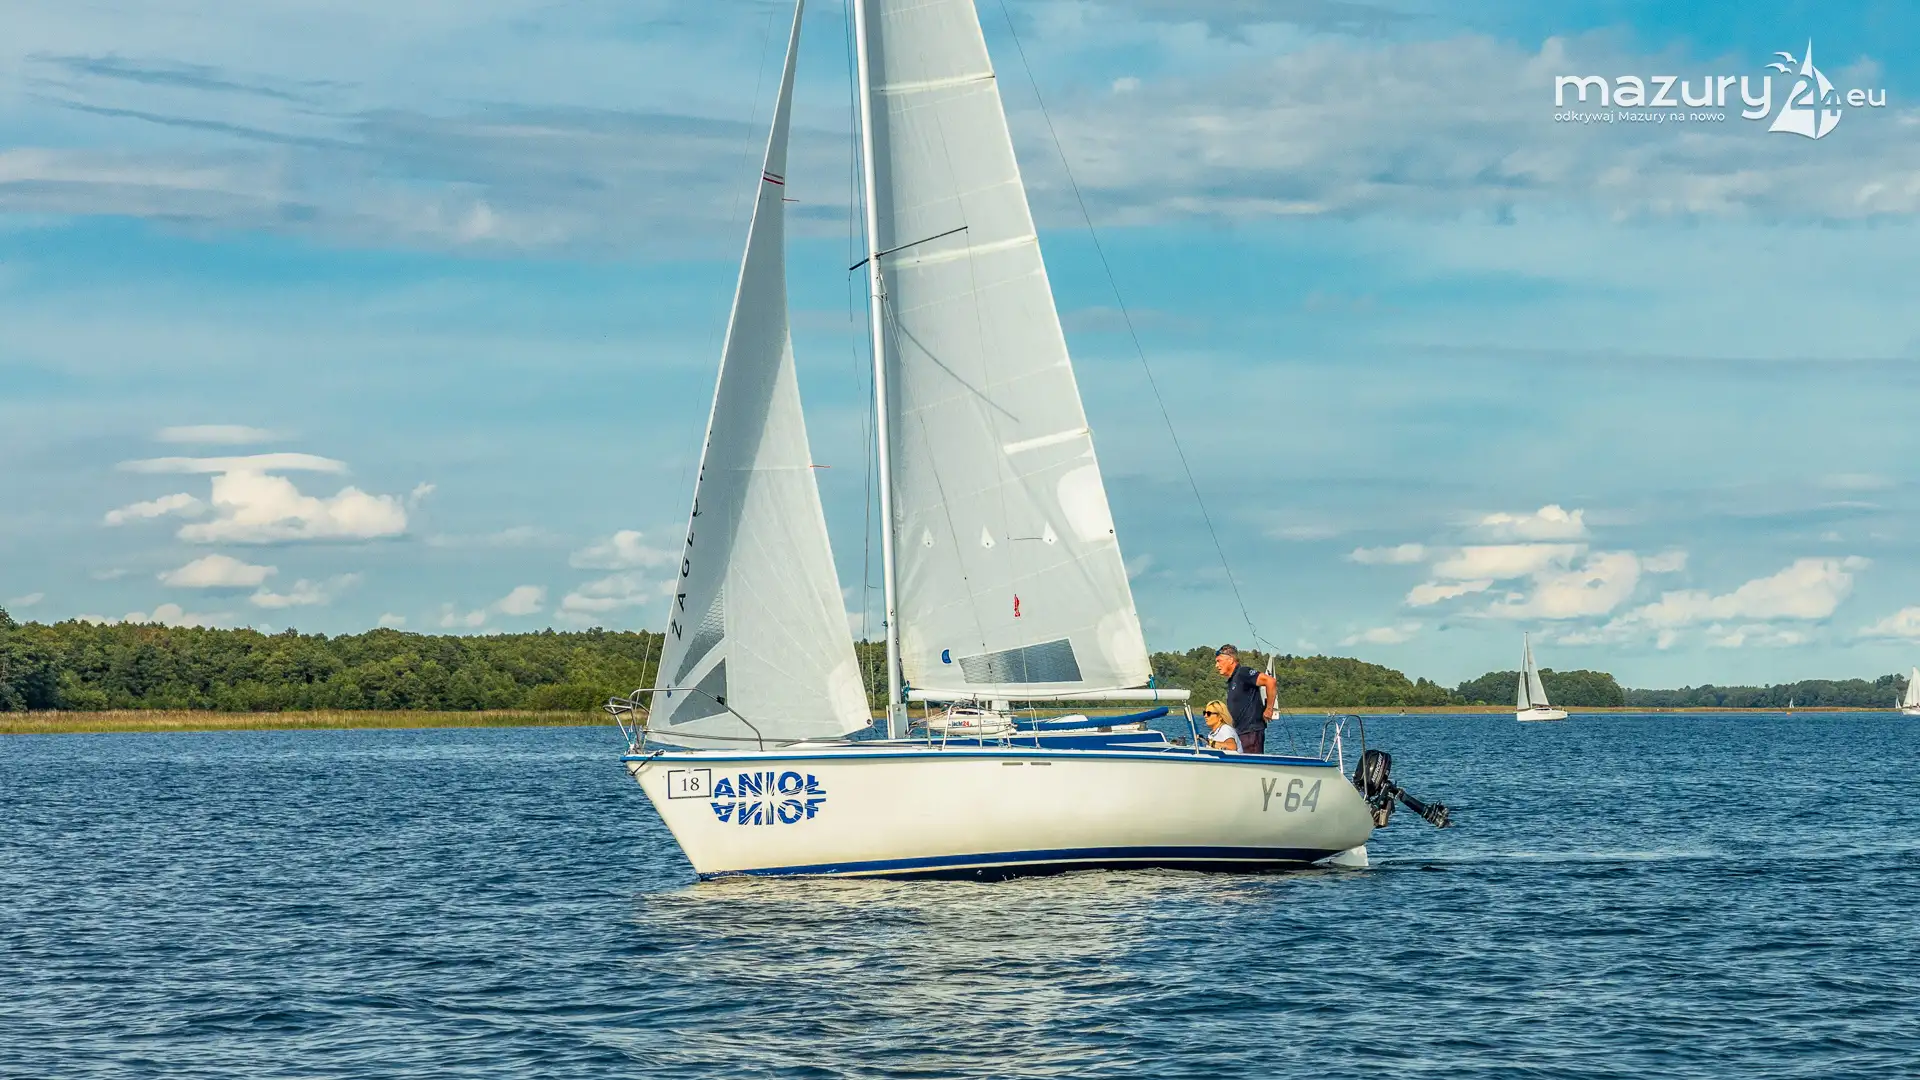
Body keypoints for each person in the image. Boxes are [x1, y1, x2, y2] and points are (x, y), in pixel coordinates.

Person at [1214, 644, 1277, 755]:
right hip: (1240, 732)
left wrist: (1269, 709)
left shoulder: (1243, 673)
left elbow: (1270, 681)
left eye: (1219, 661)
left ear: (1230, 660)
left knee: (1252, 764)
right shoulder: (1232, 680)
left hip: (1250, 732)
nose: (1216, 665)